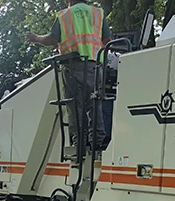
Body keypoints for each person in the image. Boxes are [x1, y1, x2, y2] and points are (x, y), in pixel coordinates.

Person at [27, 0, 112, 150]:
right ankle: (97, 143)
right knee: (95, 103)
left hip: (73, 67)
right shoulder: (98, 13)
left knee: (75, 106)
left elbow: (52, 39)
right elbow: (107, 40)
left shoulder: (64, 15)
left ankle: (79, 144)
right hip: (94, 66)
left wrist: (36, 38)